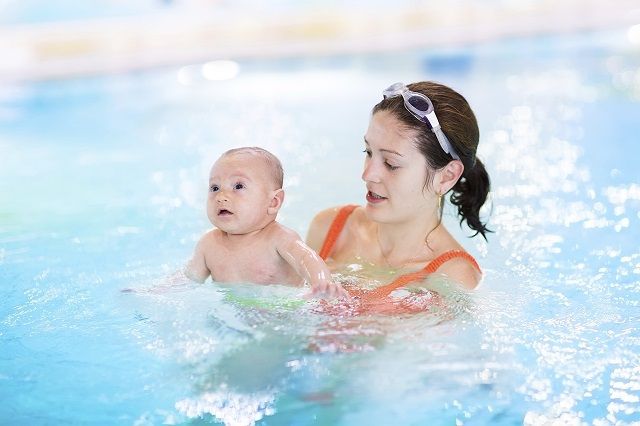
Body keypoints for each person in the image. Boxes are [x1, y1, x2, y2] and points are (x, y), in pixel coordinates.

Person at [306, 81, 491, 305]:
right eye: (368, 152)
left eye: (391, 163)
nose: (368, 175)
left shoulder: (453, 278)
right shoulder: (331, 228)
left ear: (447, 176)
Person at [184, 147, 348, 298]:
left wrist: (322, 286)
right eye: (215, 188)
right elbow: (188, 280)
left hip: (283, 315)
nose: (221, 196)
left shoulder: (279, 238)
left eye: (238, 186)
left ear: (273, 202)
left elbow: (307, 259)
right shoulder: (209, 244)